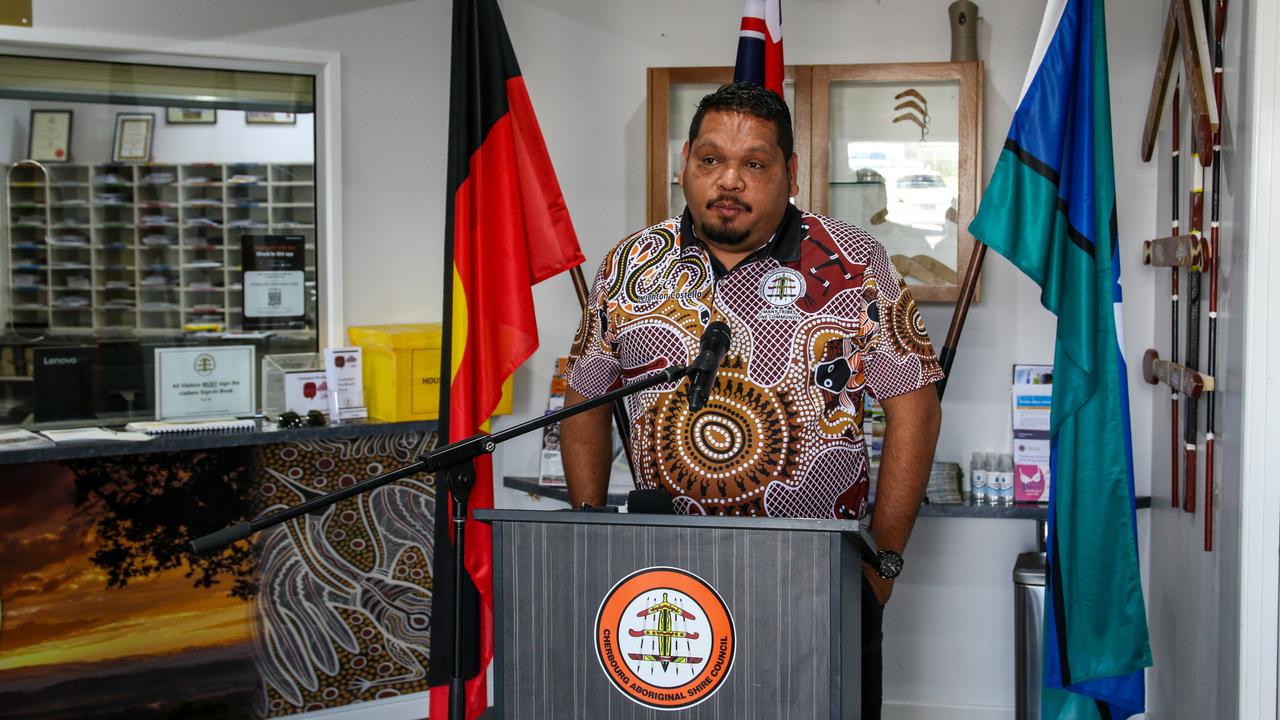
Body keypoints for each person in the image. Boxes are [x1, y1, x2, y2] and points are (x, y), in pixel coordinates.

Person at [560, 82, 943, 719]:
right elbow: (584, 406)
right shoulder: (629, 264)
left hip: (818, 577)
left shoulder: (854, 261)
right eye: (710, 160)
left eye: (754, 165)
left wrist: (885, 563)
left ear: (790, 173)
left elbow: (916, 409)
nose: (728, 181)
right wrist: (592, 536)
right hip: (667, 587)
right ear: (684, 163)